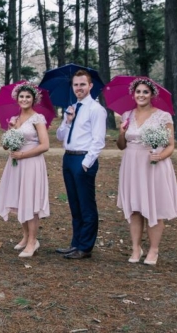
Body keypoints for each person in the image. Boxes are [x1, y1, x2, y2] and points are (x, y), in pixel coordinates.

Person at [116, 77, 177, 265]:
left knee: (154, 208)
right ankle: (135, 248)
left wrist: (160, 156)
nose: (141, 95)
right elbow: (121, 146)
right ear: (133, 94)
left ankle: (153, 250)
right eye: (138, 92)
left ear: (152, 95)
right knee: (134, 208)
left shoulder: (163, 116)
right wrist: (122, 132)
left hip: (154, 165)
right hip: (131, 164)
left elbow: (171, 145)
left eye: (145, 92)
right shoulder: (126, 115)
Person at [0, 83, 50, 258]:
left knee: (30, 201)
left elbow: (45, 145)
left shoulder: (38, 118)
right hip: (15, 165)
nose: (24, 99)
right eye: (21, 97)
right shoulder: (14, 119)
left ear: (33, 99)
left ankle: (33, 241)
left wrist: (23, 154)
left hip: (31, 163)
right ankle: (25, 237)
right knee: (19, 200)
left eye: (28, 97)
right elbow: (5, 146)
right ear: (17, 99)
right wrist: (11, 130)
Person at [55, 70, 107, 260]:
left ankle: (85, 246)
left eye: (82, 84)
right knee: (74, 204)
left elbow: (98, 140)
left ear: (90, 86)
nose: (79, 88)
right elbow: (60, 136)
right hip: (68, 158)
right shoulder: (71, 108)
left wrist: (86, 164)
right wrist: (67, 121)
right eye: (76, 85)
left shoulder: (96, 109)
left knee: (86, 205)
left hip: (83, 159)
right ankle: (75, 243)